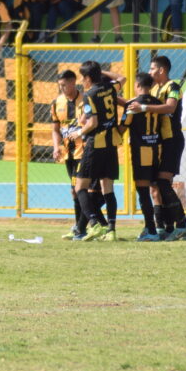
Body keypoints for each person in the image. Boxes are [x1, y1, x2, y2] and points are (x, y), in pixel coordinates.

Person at [72, 60, 125, 242]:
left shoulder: (90, 94)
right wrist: (100, 71)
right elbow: (122, 78)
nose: (81, 80)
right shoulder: (110, 88)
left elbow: (92, 123)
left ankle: (94, 224)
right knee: (108, 189)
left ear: (87, 78)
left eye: (83, 77)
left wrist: (79, 132)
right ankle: (111, 230)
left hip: (96, 144)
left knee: (80, 187)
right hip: (111, 144)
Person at [144, 55, 186, 241]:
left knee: (163, 183)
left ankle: (183, 224)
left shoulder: (173, 87)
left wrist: (144, 108)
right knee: (157, 185)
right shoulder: (156, 89)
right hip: (160, 142)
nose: (150, 72)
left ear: (161, 70)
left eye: (152, 69)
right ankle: (168, 227)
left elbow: (170, 108)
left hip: (172, 140)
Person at [120, 72, 169, 242]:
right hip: (157, 150)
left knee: (143, 191)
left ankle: (151, 230)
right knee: (155, 188)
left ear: (138, 85)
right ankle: (160, 226)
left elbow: (122, 128)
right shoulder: (158, 103)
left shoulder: (132, 106)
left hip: (141, 152)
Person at [50, 70, 85, 240]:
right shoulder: (57, 102)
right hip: (68, 154)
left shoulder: (85, 100)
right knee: (76, 191)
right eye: (60, 85)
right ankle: (82, 225)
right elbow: (56, 129)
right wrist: (56, 147)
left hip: (83, 152)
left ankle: (82, 226)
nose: (62, 88)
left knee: (78, 190)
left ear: (73, 82)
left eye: (64, 85)